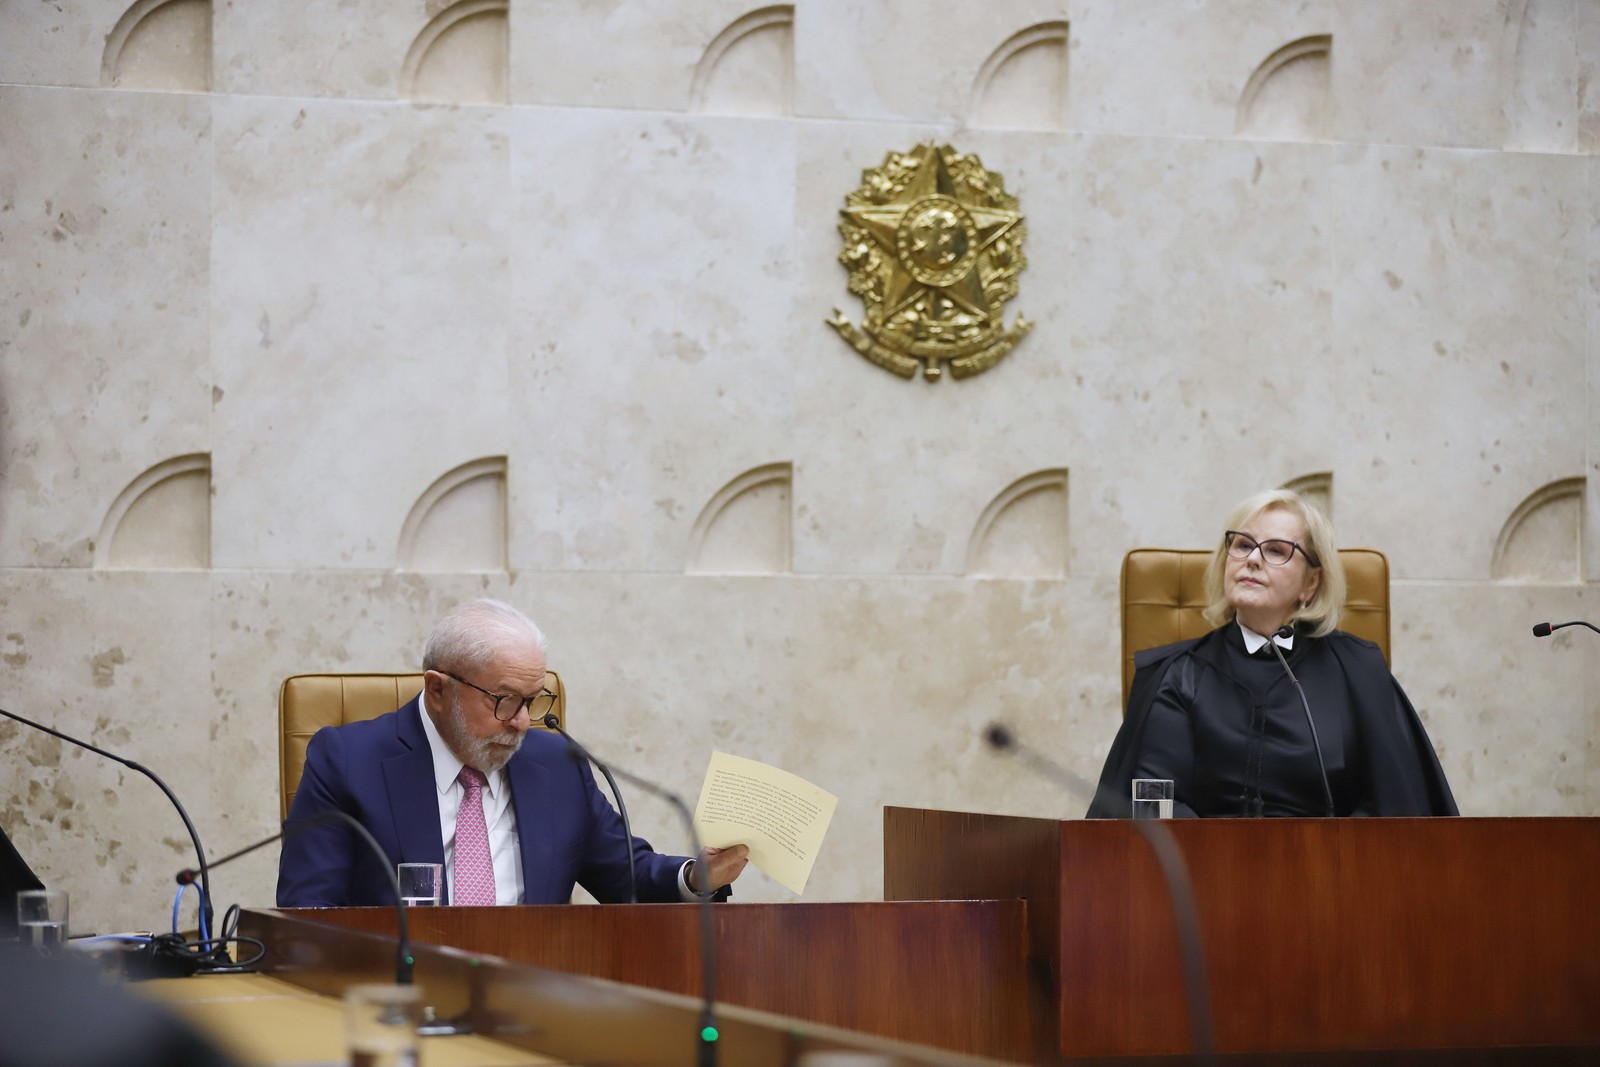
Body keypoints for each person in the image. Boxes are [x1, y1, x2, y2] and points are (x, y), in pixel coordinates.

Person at [277, 598, 748, 906]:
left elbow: (628, 877)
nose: (523, 721)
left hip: (534, 996)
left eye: (532, 700)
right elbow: (309, 913)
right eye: (503, 700)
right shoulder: (348, 762)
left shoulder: (557, 766)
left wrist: (695, 877)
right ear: (438, 690)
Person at [1087, 490, 1457, 819]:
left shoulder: (1356, 670)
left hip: (1329, 879)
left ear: (1311, 582)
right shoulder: (1180, 673)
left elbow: (1392, 805)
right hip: (1206, 878)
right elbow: (1160, 805)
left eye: (1277, 550)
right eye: (1243, 545)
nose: (1252, 559)